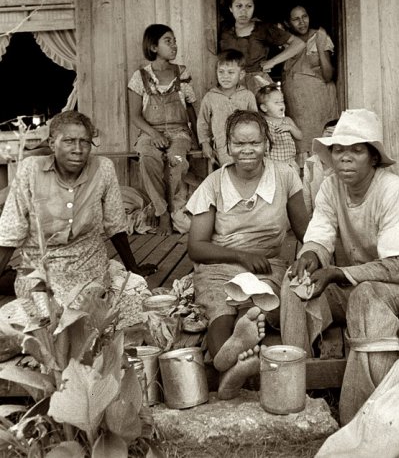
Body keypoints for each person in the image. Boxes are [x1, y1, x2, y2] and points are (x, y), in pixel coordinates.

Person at [280, 108, 399, 425]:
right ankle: (297, 394)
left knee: (365, 296)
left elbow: (396, 269)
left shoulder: (391, 189)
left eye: (357, 149)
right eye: (339, 149)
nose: (345, 158)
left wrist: (338, 273)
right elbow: (320, 235)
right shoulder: (330, 187)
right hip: (357, 280)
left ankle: (363, 409)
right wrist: (311, 255)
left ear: (373, 158)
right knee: (293, 283)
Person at [186, 110, 308, 400]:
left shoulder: (285, 176)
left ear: (266, 143)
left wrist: (315, 257)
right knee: (219, 303)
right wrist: (240, 256)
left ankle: (229, 368)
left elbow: (306, 230)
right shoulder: (214, 184)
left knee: (259, 301)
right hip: (220, 264)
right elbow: (196, 247)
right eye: (239, 144)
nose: (247, 150)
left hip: (268, 265)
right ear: (228, 146)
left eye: (254, 142)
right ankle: (226, 361)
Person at [0, 111, 156, 305]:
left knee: (94, 307)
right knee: (48, 310)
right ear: (51, 144)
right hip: (42, 269)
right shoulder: (31, 170)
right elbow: (9, 234)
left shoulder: (103, 168)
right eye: (69, 141)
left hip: (89, 269)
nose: (78, 149)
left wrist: (134, 268)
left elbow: (115, 225)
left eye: (85, 141)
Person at [128, 24, 198, 236]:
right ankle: (162, 213)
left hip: (179, 133)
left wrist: (199, 139)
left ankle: (175, 210)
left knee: (176, 160)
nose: (174, 45)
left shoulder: (182, 73)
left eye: (174, 40)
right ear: (153, 46)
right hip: (149, 132)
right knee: (149, 157)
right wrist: (154, 134)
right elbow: (135, 116)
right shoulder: (139, 77)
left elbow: (192, 110)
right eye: (168, 41)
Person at [282, 5, 339, 166]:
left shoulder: (320, 37)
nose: (301, 22)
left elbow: (328, 75)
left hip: (319, 105)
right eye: (296, 19)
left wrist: (320, 47)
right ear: (288, 23)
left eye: (304, 16)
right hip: (297, 109)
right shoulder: (287, 43)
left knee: (322, 151)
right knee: (302, 153)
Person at [219, 0, 306, 94]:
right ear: (231, 8)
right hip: (231, 83)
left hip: (258, 84)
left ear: (254, 8)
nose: (244, 11)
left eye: (249, 6)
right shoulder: (223, 30)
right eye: (239, 6)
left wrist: (272, 62)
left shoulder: (263, 29)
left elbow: (299, 44)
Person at [197, 49, 257, 167]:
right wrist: (205, 143)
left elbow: (256, 122)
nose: (225, 76)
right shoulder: (211, 97)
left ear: (241, 75)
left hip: (245, 144)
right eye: (221, 72)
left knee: (246, 170)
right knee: (229, 171)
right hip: (221, 146)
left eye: (230, 72)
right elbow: (202, 122)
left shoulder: (247, 96)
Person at [256, 83, 302, 174]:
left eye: (282, 101)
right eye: (276, 102)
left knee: (293, 186)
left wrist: (290, 128)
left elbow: (300, 136)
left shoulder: (287, 120)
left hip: (290, 163)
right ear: (264, 108)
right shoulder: (263, 123)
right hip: (272, 165)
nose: (281, 104)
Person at [302, 119, 337, 217]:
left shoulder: (344, 164)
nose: (330, 137)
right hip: (318, 217)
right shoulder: (311, 163)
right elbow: (306, 194)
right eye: (328, 133)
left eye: (334, 133)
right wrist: (308, 217)